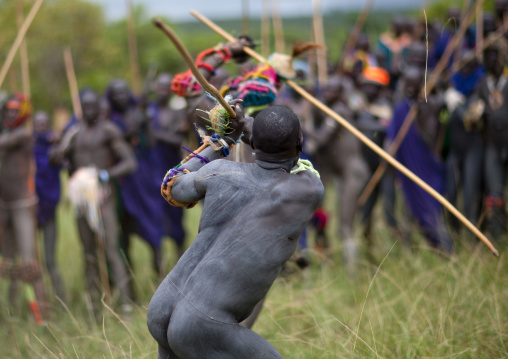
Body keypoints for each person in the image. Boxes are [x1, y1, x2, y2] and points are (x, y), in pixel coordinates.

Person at [147, 103, 324, 359]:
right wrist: (247, 130)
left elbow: (172, 185)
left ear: (253, 144)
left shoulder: (218, 172)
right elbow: (293, 160)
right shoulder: (307, 189)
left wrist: (224, 139)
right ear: (300, 141)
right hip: (201, 323)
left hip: (163, 305)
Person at [52, 90, 137, 316]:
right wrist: (59, 156)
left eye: (93, 107)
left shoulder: (109, 130)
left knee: (111, 250)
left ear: (99, 108)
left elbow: (129, 162)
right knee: (88, 253)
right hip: (81, 200)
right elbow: (62, 161)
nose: (89, 112)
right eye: (85, 107)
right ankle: (94, 307)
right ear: (80, 108)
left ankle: (126, 305)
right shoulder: (73, 133)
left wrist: (106, 174)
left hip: (103, 197)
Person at [0, 94, 48, 318]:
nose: (10, 114)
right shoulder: (6, 133)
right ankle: (11, 314)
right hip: (4, 206)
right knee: (7, 263)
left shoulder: (23, 135)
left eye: (15, 111)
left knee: (29, 264)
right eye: (7, 110)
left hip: (22, 205)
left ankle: (42, 317)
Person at [147, 73, 188, 258]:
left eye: (167, 88)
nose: (163, 92)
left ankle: (180, 256)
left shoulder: (176, 113)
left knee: (176, 216)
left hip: (172, 171)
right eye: (160, 87)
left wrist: (159, 135)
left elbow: (179, 140)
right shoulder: (148, 112)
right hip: (152, 171)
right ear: (155, 88)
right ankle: (159, 264)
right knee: (155, 218)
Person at [33, 110, 65, 300]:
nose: (42, 128)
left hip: (48, 209)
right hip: (29, 210)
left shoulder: (54, 148)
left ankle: (61, 300)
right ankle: (36, 300)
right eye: (38, 125)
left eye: (45, 124)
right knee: (29, 261)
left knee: (50, 260)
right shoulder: (27, 146)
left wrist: (59, 149)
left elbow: (62, 163)